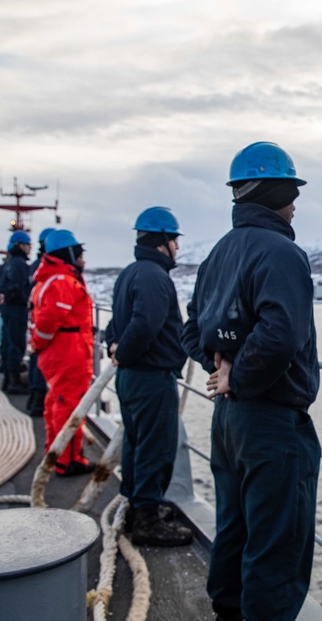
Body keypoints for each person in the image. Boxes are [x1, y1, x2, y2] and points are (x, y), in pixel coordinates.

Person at [182, 142, 321, 621]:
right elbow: (282, 336)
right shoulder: (282, 252)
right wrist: (237, 376)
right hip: (272, 423)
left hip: (228, 421)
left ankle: (226, 612)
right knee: (277, 547)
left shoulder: (217, 255)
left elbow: (190, 328)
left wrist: (221, 370)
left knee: (234, 528)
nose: (296, 202)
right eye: (293, 190)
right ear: (278, 191)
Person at [104, 207, 194, 547]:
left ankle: (137, 506)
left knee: (136, 443)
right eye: (174, 240)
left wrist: (115, 348)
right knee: (155, 447)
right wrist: (124, 350)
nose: (177, 248)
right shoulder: (155, 277)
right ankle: (146, 519)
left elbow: (118, 323)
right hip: (151, 376)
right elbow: (145, 324)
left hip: (131, 377)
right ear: (162, 241)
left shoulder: (130, 273)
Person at [29, 229, 96, 477]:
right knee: (68, 406)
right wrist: (39, 342)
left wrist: (39, 345)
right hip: (69, 355)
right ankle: (67, 461)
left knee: (56, 404)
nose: (83, 260)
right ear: (68, 254)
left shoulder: (51, 280)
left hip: (62, 353)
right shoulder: (62, 282)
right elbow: (48, 321)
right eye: (79, 254)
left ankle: (55, 452)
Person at [0, 230, 33, 393]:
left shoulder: (7, 264)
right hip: (17, 308)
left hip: (8, 309)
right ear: (20, 245)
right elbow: (19, 287)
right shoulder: (20, 265)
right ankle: (14, 382)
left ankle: (7, 377)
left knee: (8, 341)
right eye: (28, 245)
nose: (30, 249)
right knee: (16, 343)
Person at [25, 227, 54, 417]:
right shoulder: (48, 270)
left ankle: (34, 398)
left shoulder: (35, 266)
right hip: (44, 324)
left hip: (35, 320)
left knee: (36, 357)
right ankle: (38, 401)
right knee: (41, 360)